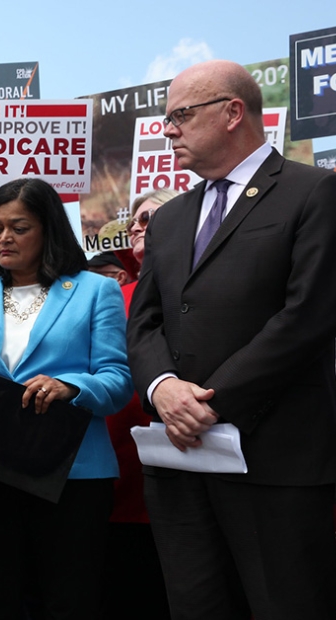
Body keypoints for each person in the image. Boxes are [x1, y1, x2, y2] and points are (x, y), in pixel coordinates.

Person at [127, 60, 336, 620]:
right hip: (180, 463)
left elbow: (308, 316)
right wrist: (165, 390)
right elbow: (144, 322)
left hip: (275, 462)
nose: (167, 130)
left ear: (232, 113)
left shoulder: (314, 192)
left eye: (180, 116)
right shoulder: (169, 219)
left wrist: (208, 404)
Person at [0, 177, 131, 619]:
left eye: (19, 227)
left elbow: (117, 381)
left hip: (70, 475)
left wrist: (72, 387)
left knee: (67, 598)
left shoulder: (96, 291)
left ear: (49, 229)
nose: (4, 239)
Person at [99, 190, 178, 620]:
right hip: (120, 472)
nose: (137, 227)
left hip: (189, 464)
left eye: (150, 218)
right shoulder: (112, 295)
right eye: (135, 223)